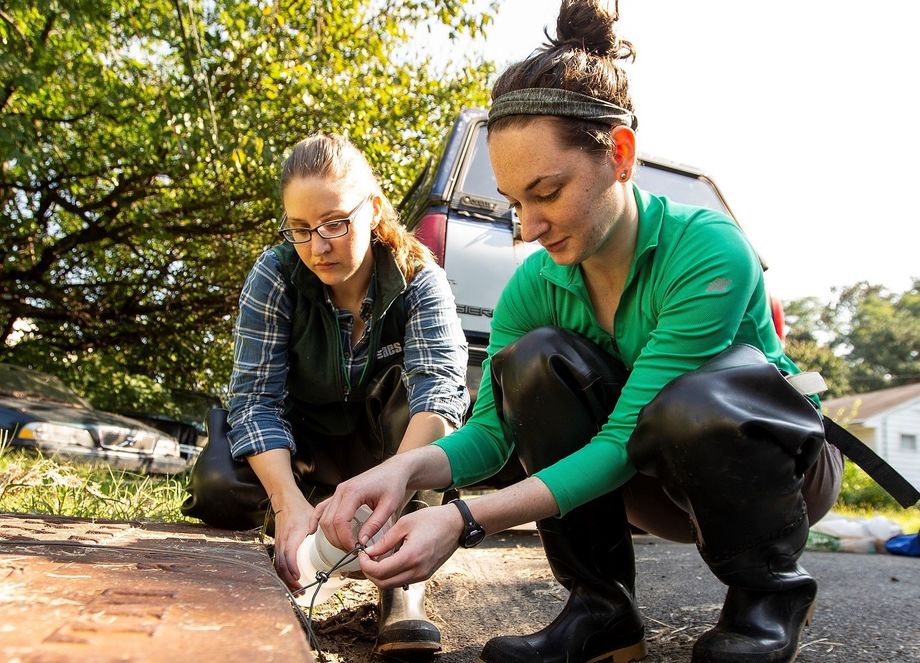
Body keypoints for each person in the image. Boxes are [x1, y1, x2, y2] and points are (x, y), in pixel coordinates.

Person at [314, 2, 847, 662]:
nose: (529, 227)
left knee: (687, 401)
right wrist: (398, 472)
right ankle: (602, 613)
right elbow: (490, 432)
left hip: (776, 474)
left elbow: (627, 436)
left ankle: (769, 596)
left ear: (619, 154)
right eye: (514, 202)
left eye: (548, 191)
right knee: (531, 363)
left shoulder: (708, 251)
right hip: (648, 481)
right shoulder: (537, 286)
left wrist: (464, 518)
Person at [181, 132, 469, 657]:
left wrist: (387, 490)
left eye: (335, 223)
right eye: (300, 229)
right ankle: (294, 532)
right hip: (305, 452)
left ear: (374, 209)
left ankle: (399, 581)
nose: (318, 246)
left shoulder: (420, 279)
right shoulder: (274, 276)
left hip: (388, 456)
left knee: (420, 402)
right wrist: (286, 501)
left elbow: (440, 397)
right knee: (218, 480)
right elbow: (255, 400)